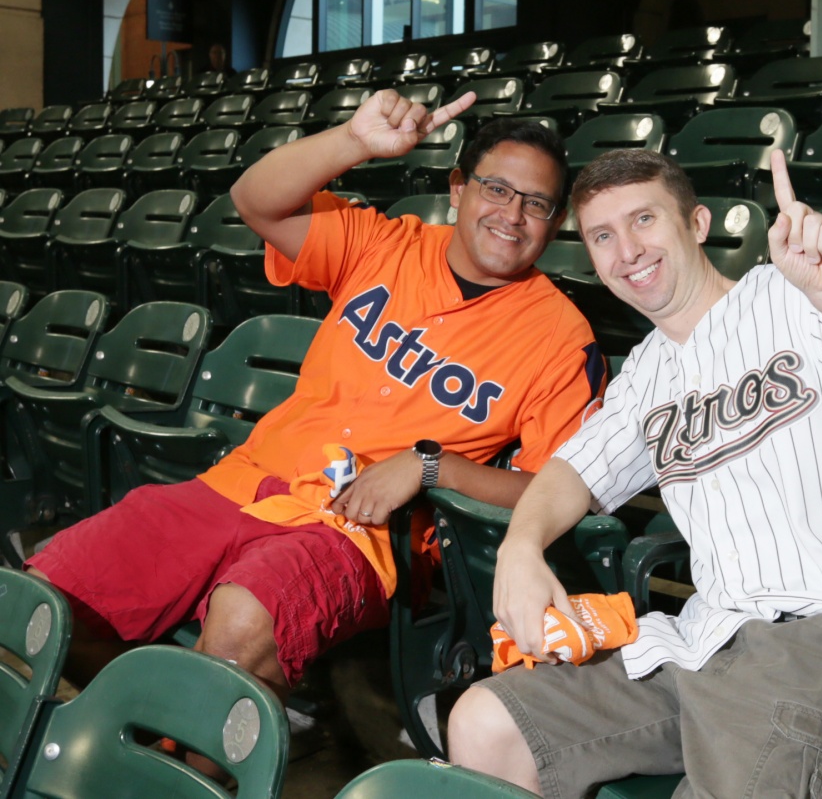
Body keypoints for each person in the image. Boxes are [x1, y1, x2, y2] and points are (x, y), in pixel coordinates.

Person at [26, 89, 605, 724]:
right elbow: (254, 201)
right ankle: (148, 731)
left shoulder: (560, 338)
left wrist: (430, 466)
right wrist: (354, 141)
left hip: (360, 533)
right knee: (44, 598)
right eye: (497, 189)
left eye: (537, 204)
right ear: (458, 187)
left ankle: (193, 760)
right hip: (243, 482)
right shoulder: (385, 243)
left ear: (555, 224)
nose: (513, 214)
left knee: (244, 623)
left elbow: (562, 487)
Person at [447, 148, 822, 798]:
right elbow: (572, 471)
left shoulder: (795, 297)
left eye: (644, 220)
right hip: (700, 641)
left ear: (696, 224)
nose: (627, 250)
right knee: (484, 721)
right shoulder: (647, 369)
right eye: (603, 236)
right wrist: (520, 547)